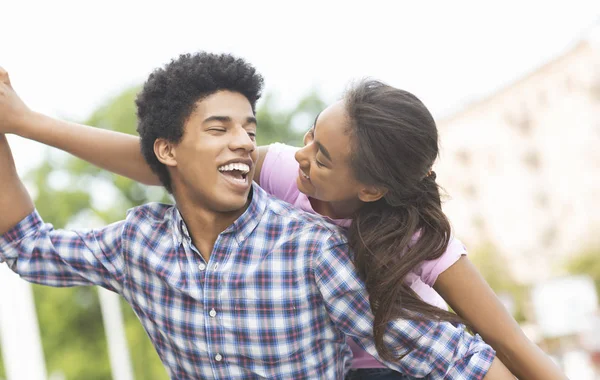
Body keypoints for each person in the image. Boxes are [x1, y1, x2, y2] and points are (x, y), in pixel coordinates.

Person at [0, 53, 514, 379]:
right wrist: (11, 124)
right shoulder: (139, 243)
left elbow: (461, 359)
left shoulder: (313, 249)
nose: (245, 141)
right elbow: (26, 247)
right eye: (219, 128)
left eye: (248, 128)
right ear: (169, 150)